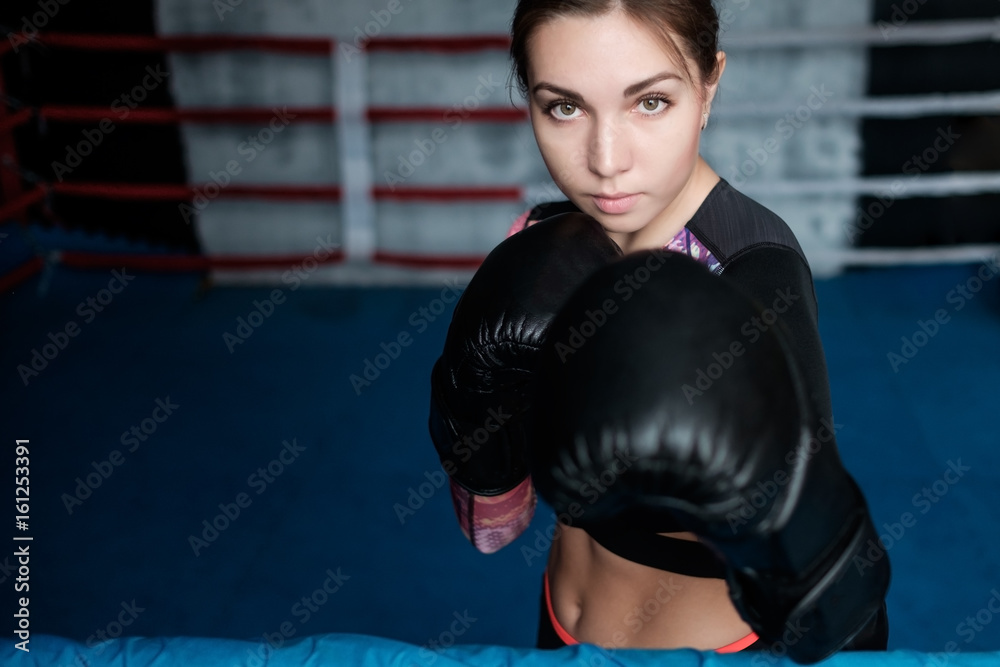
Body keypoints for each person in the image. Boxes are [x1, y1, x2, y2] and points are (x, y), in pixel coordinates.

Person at [428, 0, 890, 660]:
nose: (606, 159)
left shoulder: (753, 271)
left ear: (709, 87)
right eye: (564, 106)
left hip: (703, 650)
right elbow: (492, 529)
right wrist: (476, 420)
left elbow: (828, 591)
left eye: (649, 103)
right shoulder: (538, 239)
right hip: (558, 622)